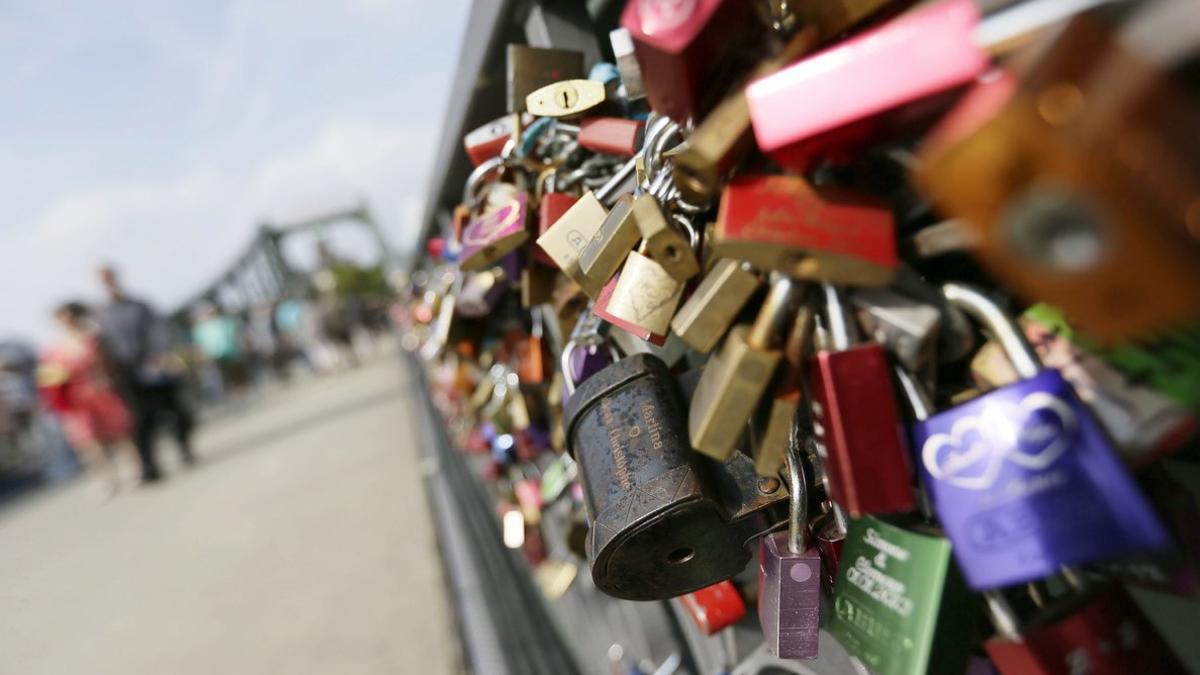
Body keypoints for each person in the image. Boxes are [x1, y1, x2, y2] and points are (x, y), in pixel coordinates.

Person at [95, 266, 195, 482]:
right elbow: (100, 346)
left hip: (155, 365)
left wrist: (160, 356)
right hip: (127, 373)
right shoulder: (100, 314)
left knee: (175, 411)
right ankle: (149, 467)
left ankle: (184, 447)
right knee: (140, 420)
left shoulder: (140, 305)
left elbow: (159, 330)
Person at [38, 302, 137, 496]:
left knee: (118, 432)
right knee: (87, 441)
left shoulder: (92, 337)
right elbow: (48, 377)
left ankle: (131, 468)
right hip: (75, 399)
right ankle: (103, 478)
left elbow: (108, 364)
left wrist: (108, 379)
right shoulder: (54, 347)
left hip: (99, 391)